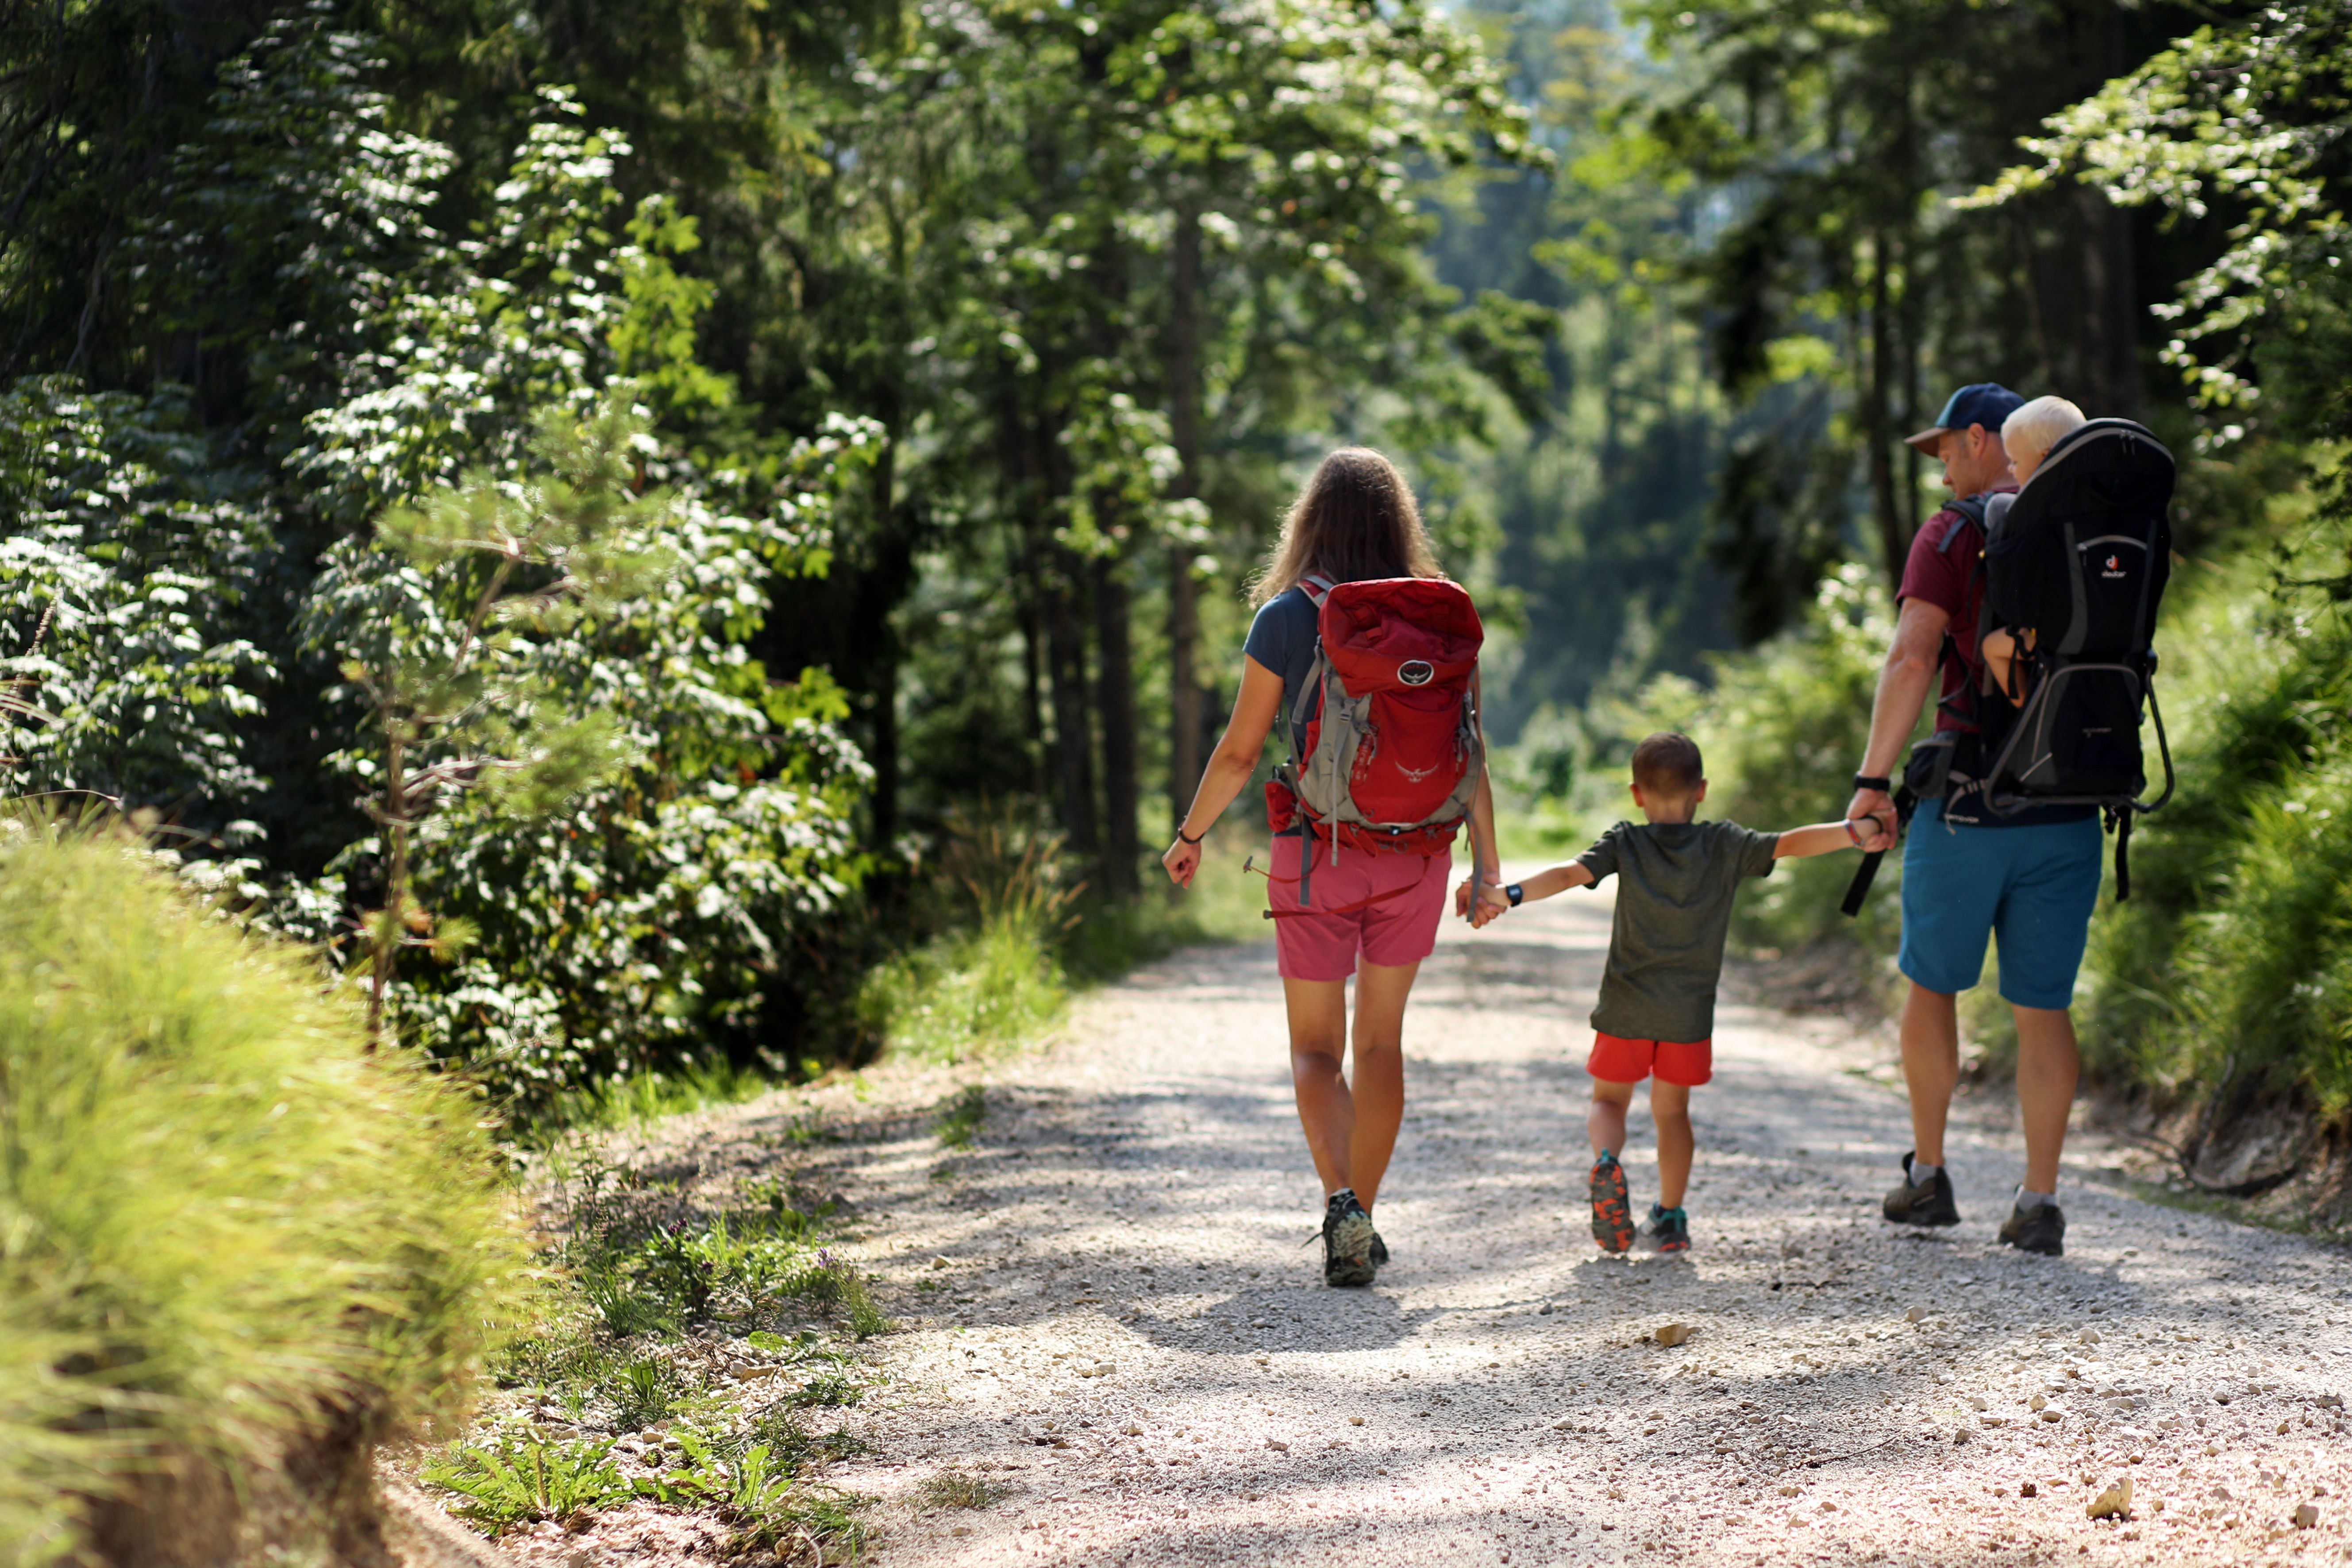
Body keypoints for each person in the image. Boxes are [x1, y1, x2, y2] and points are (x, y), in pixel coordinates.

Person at [1162, 447, 1501, 1288]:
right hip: (1418, 855)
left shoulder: (1285, 616)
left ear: (1309, 521)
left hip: (1316, 852)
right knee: (1381, 1041)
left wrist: (1191, 834)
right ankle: (1362, 1217)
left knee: (1317, 1047)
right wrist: (1488, 866)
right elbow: (1471, 751)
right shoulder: (1443, 615)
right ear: (1399, 522)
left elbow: (1240, 753)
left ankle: (1341, 1202)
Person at [1846, 381, 2098, 1257]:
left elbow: (1911, 656)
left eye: (1948, 446)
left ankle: (1927, 1175)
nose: (1943, 466)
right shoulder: (2103, 532)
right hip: (2071, 806)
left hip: (1967, 807)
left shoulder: (1952, 533)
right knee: (2043, 1007)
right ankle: (2038, 1199)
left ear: (1986, 439)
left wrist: (1871, 780)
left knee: (1933, 986)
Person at [1463, 732, 1883, 1252]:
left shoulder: (1625, 841)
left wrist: (1507, 894)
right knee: (1671, 1113)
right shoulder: (1724, 844)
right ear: (1700, 790)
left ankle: (1606, 1162)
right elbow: (1791, 843)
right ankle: (1669, 1217)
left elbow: (1569, 874)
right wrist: (1858, 830)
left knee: (1608, 1101)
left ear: (1636, 794)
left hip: (1625, 1006)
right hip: (1687, 1014)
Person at [1979, 395, 2088, 704]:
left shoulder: (2032, 515)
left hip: (2059, 636)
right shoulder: (2099, 507)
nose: (2011, 469)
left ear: (2045, 460)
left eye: (2015, 461)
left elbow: (2013, 603)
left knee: (1991, 647)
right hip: (2116, 635)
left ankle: (2032, 715)